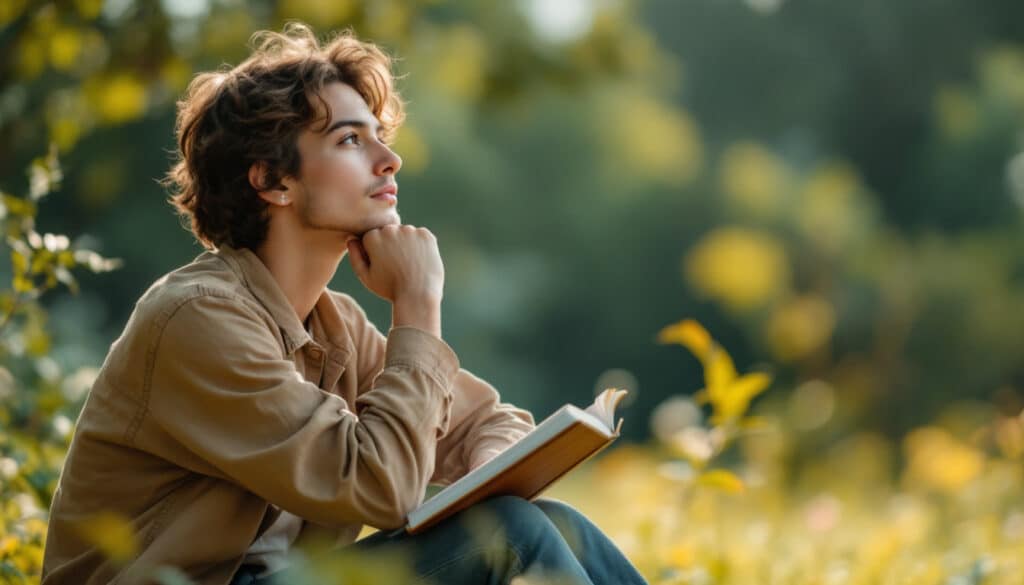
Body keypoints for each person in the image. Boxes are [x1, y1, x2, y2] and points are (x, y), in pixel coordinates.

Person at [41, 22, 648, 585]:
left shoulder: (335, 327)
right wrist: (417, 302)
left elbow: (493, 422)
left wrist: (493, 478)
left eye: (380, 136)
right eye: (350, 139)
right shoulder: (198, 317)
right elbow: (377, 488)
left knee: (551, 522)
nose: (390, 160)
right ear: (272, 181)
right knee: (510, 537)